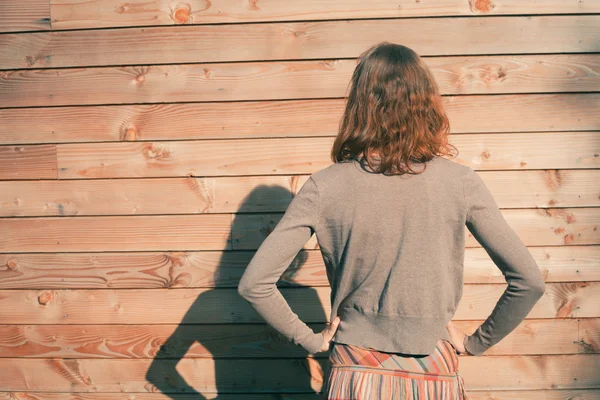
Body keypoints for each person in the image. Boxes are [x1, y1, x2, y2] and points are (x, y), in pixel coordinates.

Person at [237, 41, 546, 399]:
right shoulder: (460, 183)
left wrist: (313, 341)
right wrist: (476, 342)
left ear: (359, 105)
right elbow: (530, 281)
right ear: (426, 102)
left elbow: (254, 284)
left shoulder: (326, 186)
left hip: (355, 372)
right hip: (434, 370)